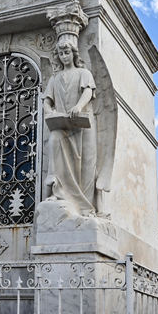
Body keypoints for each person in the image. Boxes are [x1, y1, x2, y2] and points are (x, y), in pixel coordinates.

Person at [43, 42, 97, 216]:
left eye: (67, 52)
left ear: (73, 54)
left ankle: (82, 204)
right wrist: (50, 112)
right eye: (61, 53)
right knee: (53, 141)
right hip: (61, 125)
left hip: (81, 126)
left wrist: (79, 106)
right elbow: (47, 101)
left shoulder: (83, 73)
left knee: (84, 166)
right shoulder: (54, 78)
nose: (64, 56)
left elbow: (88, 91)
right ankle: (56, 190)